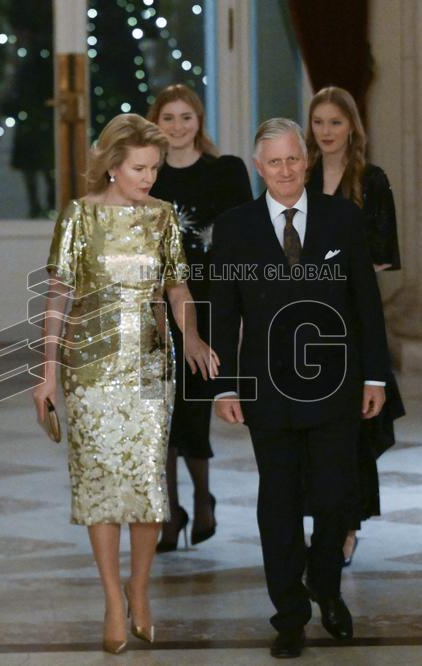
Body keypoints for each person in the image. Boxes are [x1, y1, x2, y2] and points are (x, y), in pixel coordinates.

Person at [32, 113, 219, 654]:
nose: (150, 178)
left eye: (155, 169)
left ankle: (140, 588)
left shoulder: (163, 218)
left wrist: (192, 337)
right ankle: (112, 596)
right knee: (98, 483)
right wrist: (46, 372)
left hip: (148, 369)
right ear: (113, 166)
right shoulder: (79, 218)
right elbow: (58, 297)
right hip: (88, 370)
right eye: (140, 168)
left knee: (144, 482)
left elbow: (177, 288)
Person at [208, 118, 391, 658]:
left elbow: (366, 305)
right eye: (274, 162)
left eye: (293, 159)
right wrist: (224, 386)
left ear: (304, 162)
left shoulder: (342, 218)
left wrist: (375, 375)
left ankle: (327, 587)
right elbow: (222, 310)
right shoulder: (235, 227)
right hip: (266, 388)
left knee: (337, 496)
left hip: (337, 383)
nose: (285, 170)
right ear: (259, 166)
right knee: (280, 502)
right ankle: (288, 614)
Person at [146, 84, 252, 552]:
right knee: (163, 411)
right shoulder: (147, 177)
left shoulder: (224, 173)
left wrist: (244, 304)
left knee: (193, 403)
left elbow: (243, 242)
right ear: (156, 123)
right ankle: (171, 512)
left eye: (185, 116)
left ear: (199, 120)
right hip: (154, 304)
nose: (177, 126)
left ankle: (202, 498)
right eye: (168, 117)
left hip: (210, 303)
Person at [305, 86, 407, 566]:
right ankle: (320, 522)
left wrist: (338, 270)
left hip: (353, 315)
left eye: (335, 123)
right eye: (319, 122)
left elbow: (383, 255)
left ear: (352, 128)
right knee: (311, 427)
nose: (325, 132)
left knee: (354, 429)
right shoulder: (298, 176)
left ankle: (347, 526)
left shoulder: (373, 180)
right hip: (303, 317)